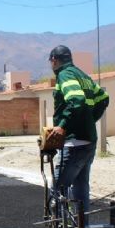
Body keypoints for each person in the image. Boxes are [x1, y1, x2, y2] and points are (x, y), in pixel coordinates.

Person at [46, 45, 108, 215]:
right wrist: (89, 120)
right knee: (81, 189)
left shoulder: (65, 75)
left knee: (58, 190)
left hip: (74, 143)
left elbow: (77, 99)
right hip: (89, 141)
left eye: (51, 62)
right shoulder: (83, 76)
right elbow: (103, 98)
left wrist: (62, 125)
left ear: (54, 60)